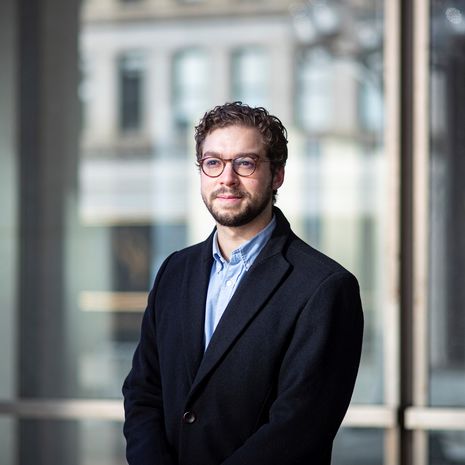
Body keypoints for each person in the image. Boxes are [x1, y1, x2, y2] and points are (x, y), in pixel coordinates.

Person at [122, 102, 364, 465]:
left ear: (277, 174)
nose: (227, 179)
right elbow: (143, 392)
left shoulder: (325, 287)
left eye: (245, 163)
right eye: (213, 162)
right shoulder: (175, 271)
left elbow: (299, 428)